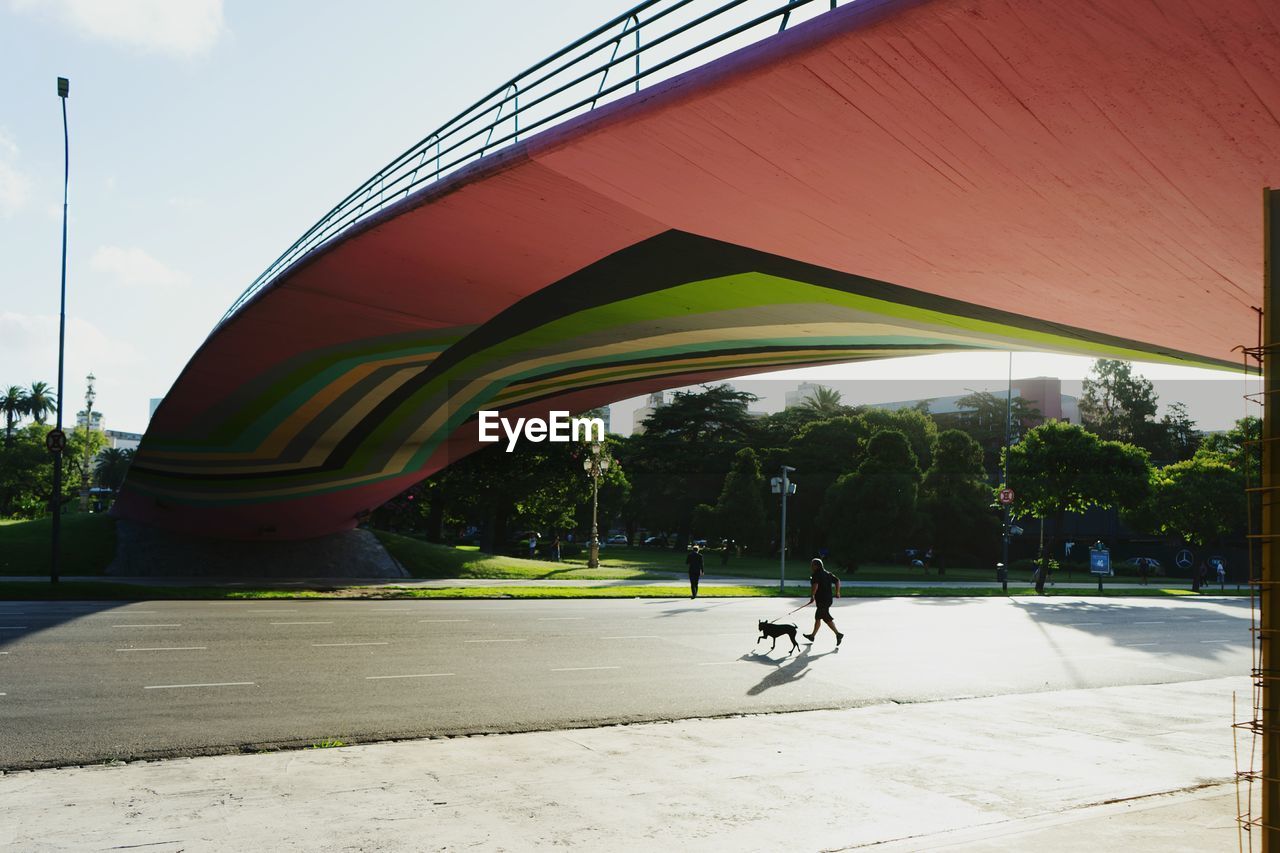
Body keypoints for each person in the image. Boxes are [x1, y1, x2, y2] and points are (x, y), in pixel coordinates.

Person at [803, 558, 844, 646]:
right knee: (822, 617)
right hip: (828, 600)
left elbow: (815, 586)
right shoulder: (827, 573)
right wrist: (837, 592)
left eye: (812, 565)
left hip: (822, 600)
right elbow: (837, 581)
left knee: (822, 617)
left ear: (816, 566)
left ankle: (838, 634)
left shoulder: (816, 575)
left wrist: (812, 596)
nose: (811, 566)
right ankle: (813, 636)